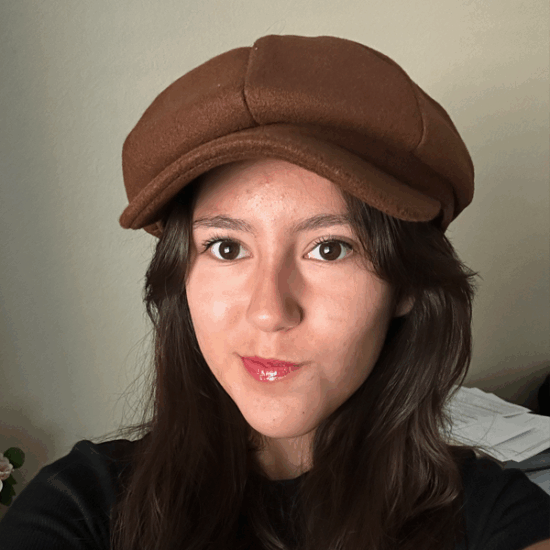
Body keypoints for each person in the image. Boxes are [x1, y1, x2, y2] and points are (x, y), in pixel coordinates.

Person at [0, 34, 548, 550]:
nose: (268, 312)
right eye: (226, 248)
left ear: (406, 284)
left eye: (330, 249)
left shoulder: (493, 513)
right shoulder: (83, 504)